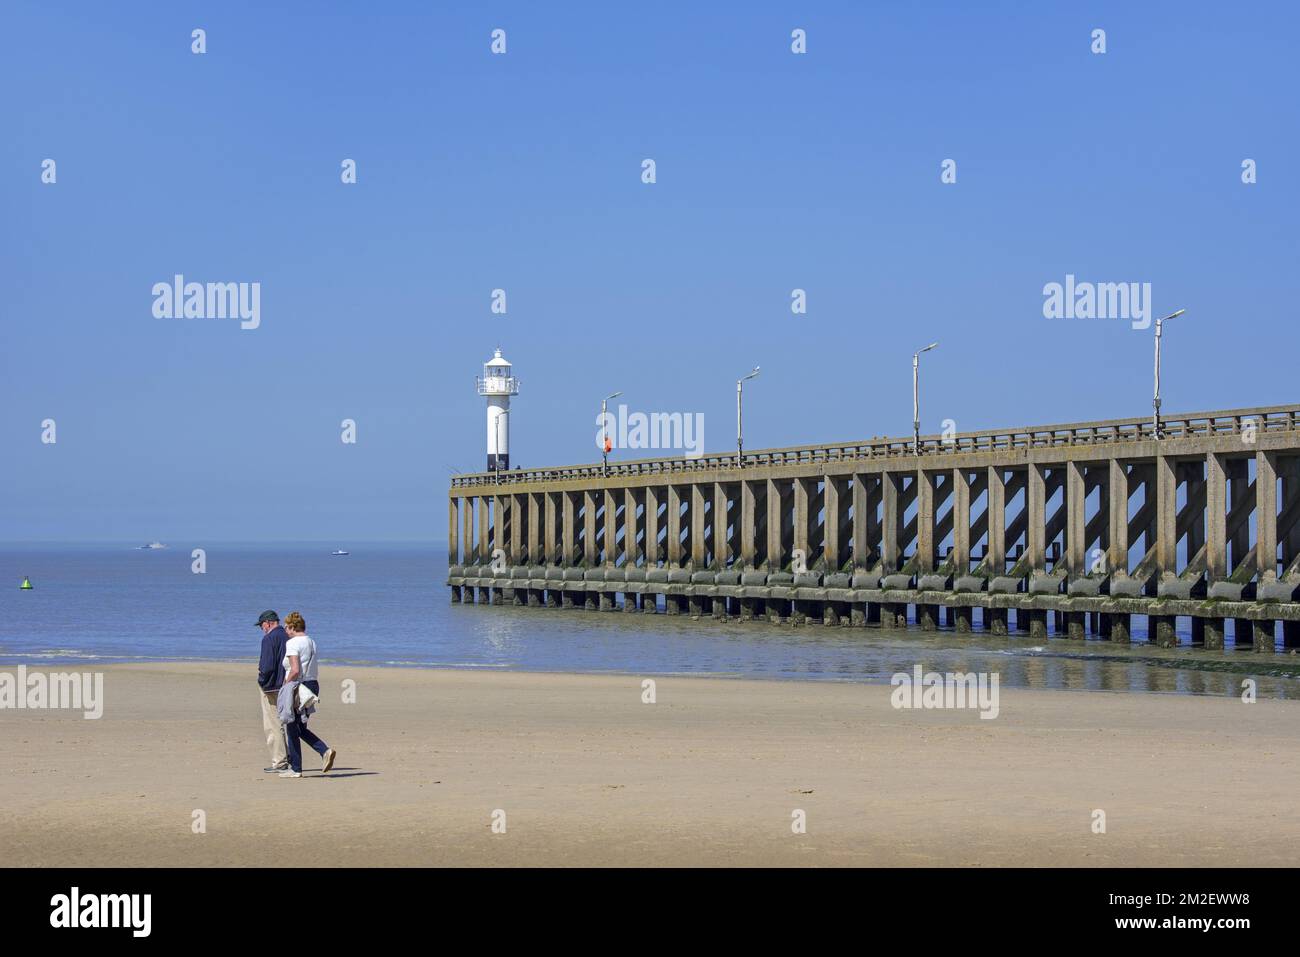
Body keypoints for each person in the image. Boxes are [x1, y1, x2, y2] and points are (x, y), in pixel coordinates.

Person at [277, 611, 336, 778]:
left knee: (291, 726)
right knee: (300, 727)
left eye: (286, 627)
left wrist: (285, 685)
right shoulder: (311, 641)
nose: (285, 631)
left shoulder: (293, 643)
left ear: (292, 627)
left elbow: (295, 670)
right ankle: (324, 751)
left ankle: (296, 769)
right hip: (312, 685)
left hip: (298, 686)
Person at [256, 610, 289, 772]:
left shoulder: (269, 638)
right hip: (287, 685)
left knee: (272, 725)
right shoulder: (287, 636)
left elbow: (267, 666)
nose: (262, 629)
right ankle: (288, 758)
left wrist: (261, 680)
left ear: (268, 623)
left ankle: (280, 761)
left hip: (271, 687)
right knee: (285, 724)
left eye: (262, 625)